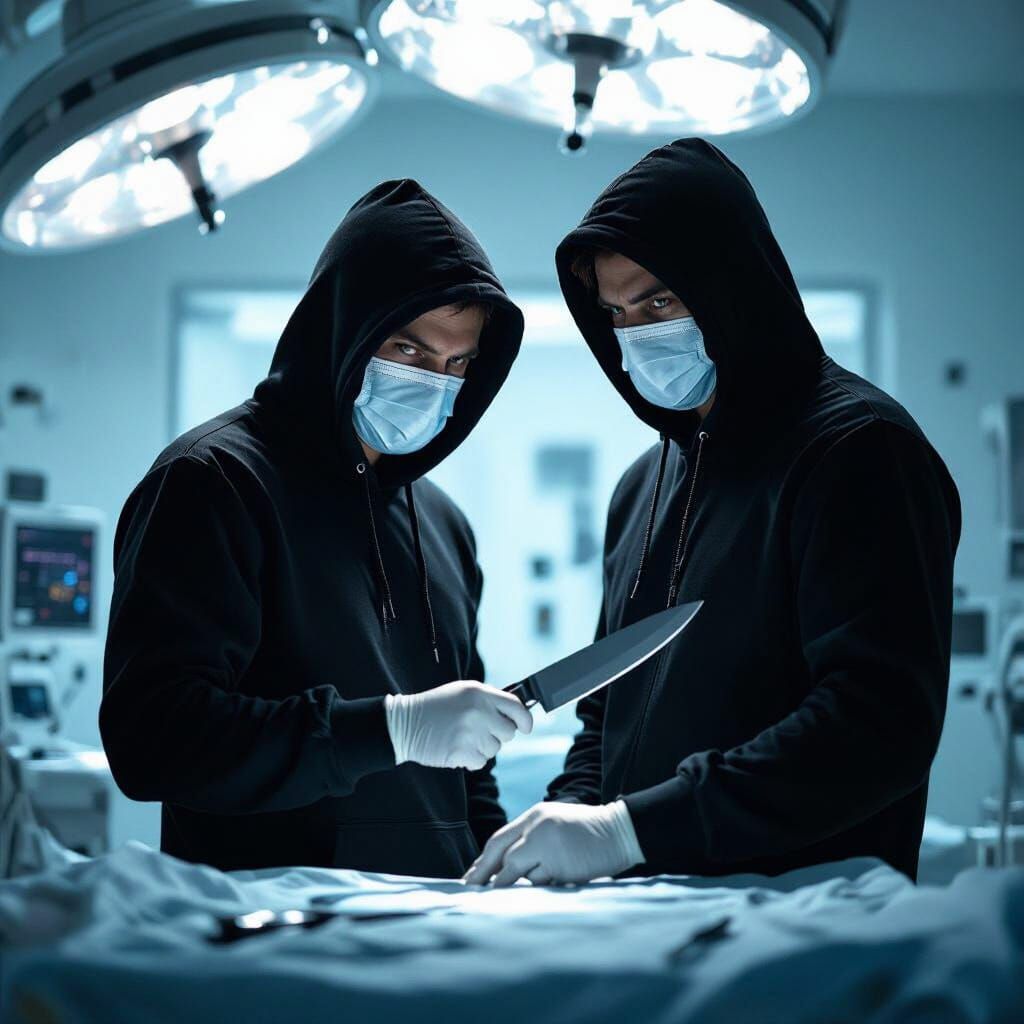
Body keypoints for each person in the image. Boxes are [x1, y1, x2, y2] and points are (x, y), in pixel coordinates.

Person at [465, 139, 960, 887]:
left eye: (660, 300)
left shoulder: (859, 451)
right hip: (647, 916)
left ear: (732, 287)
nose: (636, 333)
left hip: (807, 923)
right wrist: (563, 840)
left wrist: (628, 830)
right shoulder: (646, 484)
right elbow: (606, 722)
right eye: (618, 312)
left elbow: (876, 727)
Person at [101, 179, 533, 877]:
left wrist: (497, 865)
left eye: (458, 364)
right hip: (270, 937)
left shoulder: (444, 525)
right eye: (410, 351)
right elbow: (153, 741)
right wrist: (390, 729)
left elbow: (465, 772)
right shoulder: (212, 485)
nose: (436, 382)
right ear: (342, 329)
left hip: (434, 933)